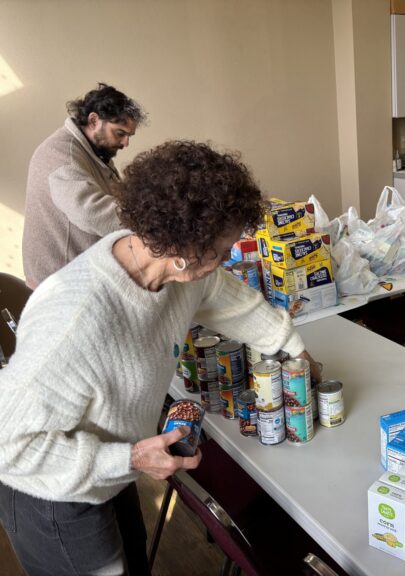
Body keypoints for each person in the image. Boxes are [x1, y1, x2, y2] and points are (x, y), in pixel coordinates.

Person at [0, 140, 322, 576]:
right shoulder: (75, 323)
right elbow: (9, 446)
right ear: (183, 253)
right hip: (51, 495)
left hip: (110, 463)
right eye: (223, 249)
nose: (227, 259)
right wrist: (128, 459)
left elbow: (229, 299)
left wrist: (294, 349)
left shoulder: (171, 265)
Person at [22, 83, 147, 289]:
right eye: (120, 133)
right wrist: (156, 223)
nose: (125, 143)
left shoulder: (92, 150)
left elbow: (115, 195)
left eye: (128, 136)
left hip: (74, 276)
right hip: (59, 284)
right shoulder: (64, 156)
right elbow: (92, 212)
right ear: (94, 120)